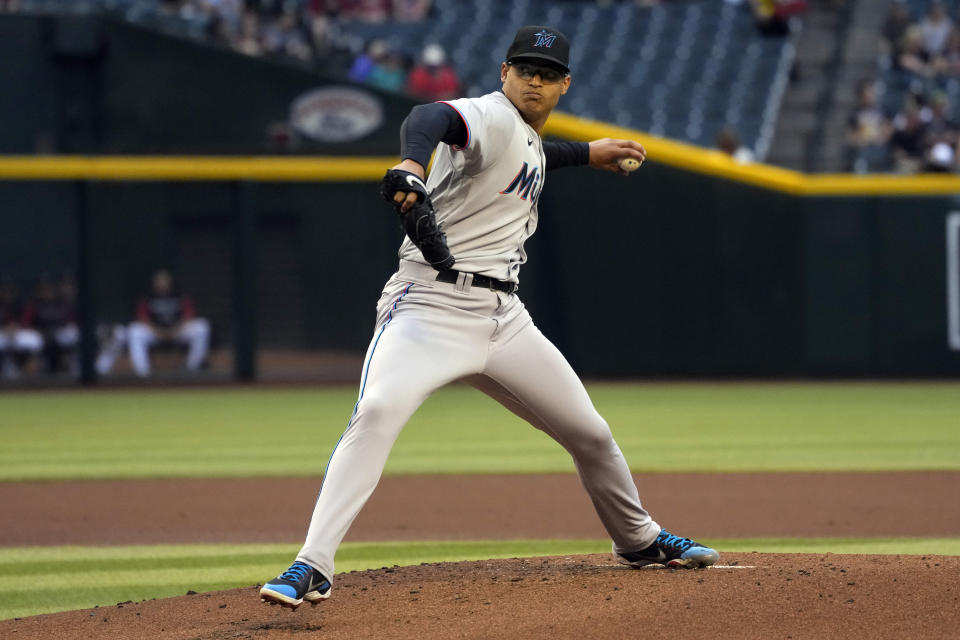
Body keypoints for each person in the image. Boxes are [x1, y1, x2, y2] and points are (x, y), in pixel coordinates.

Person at [258, 25, 719, 610]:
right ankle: (312, 564)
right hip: (428, 308)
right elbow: (431, 117)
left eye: (548, 74)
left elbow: (531, 156)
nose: (535, 81)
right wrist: (408, 164)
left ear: (564, 86)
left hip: (504, 319)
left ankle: (638, 541)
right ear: (504, 73)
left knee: (592, 435)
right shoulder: (491, 114)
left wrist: (587, 153)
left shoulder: (521, 137)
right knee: (376, 411)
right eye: (526, 69)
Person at [126, 269, 210, 377]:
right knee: (134, 330)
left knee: (202, 327)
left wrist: (175, 330)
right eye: (159, 282)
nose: (162, 285)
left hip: (178, 331)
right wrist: (158, 332)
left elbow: (188, 316)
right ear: (154, 284)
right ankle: (143, 373)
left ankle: (191, 368)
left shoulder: (180, 295)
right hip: (155, 332)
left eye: (165, 282)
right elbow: (142, 318)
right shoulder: (148, 297)